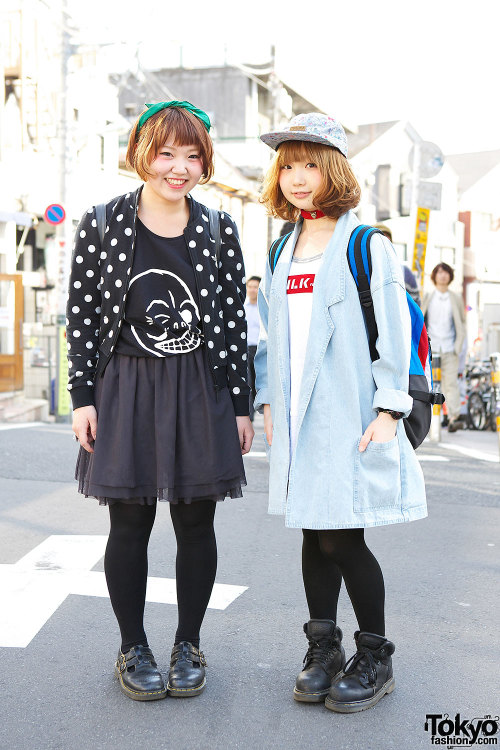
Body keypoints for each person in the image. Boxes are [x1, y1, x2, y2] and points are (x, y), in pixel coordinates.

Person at [67, 101, 254, 702]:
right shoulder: (101, 225)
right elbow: (82, 316)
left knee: (197, 520)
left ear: (205, 162)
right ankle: (133, 646)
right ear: (141, 154)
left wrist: (242, 403)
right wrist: (82, 397)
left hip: (200, 382)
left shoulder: (221, 229)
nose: (179, 167)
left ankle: (188, 643)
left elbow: (232, 323)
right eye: (167, 153)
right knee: (130, 522)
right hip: (125, 381)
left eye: (193, 154)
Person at [254, 113, 427, 713]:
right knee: (312, 528)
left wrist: (388, 409)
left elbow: (394, 335)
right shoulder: (283, 247)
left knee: (341, 534)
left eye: (310, 164)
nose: (299, 178)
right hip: (298, 416)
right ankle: (322, 648)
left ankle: (375, 656)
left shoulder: (365, 244)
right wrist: (268, 398)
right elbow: (273, 335)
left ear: (334, 170)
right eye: (289, 165)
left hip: (348, 410)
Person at [421, 263, 466, 432]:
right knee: (428, 383)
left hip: (449, 348)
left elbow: (462, 323)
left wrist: (458, 346)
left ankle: (454, 417)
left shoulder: (455, 298)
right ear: (434, 276)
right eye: (439, 272)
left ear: (450, 276)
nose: (443, 275)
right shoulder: (428, 296)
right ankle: (429, 418)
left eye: (446, 272)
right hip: (431, 348)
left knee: (450, 384)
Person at [373, 223, 421, 306]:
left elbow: (415, 303)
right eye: (379, 240)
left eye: (387, 241)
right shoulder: (359, 270)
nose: (383, 244)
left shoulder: (404, 272)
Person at [244, 275, 261, 420]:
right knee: (248, 383)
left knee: (259, 383)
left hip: (260, 349)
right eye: (250, 286)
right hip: (245, 349)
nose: (252, 290)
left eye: (255, 287)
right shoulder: (243, 308)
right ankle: (250, 416)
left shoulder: (263, 308)